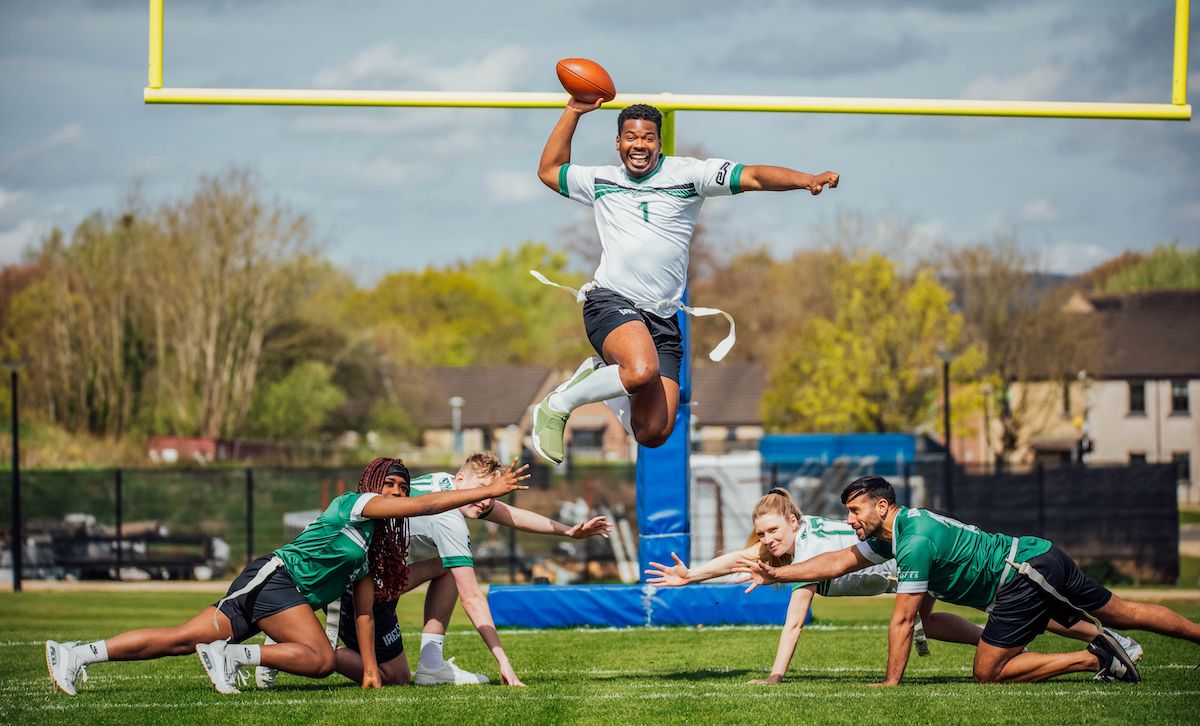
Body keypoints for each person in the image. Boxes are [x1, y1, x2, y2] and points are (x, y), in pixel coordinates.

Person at [45, 457, 528, 696]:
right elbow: (424, 504)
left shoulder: (371, 547)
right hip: (276, 581)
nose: (398, 493)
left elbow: (363, 611)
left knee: (181, 640)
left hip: (282, 594)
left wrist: (370, 672)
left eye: (402, 486)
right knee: (317, 658)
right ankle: (235, 656)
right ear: (372, 486)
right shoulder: (355, 504)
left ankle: (75, 654)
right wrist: (483, 493)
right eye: (391, 485)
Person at [529, 99, 839, 464]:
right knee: (641, 371)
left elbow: (753, 176)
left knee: (654, 432)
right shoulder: (602, 180)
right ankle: (557, 403)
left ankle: (598, 377)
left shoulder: (689, 175)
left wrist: (806, 180)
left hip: (662, 316)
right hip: (611, 301)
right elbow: (550, 170)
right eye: (630, 137)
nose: (639, 145)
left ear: (659, 144)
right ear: (618, 143)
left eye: (647, 138)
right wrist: (575, 111)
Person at [734, 475, 1200, 685]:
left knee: (987, 672)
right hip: (1032, 562)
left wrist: (890, 685)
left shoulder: (912, 541)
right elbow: (835, 563)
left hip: (1021, 576)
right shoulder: (895, 532)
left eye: (854, 511)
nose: (850, 519)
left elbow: (903, 620)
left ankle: (1096, 656)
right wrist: (777, 571)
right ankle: (1116, 646)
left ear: (880, 507)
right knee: (1122, 612)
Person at [646, 488, 1132, 683]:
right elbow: (737, 557)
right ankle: (1103, 641)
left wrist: (775, 676)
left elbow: (793, 624)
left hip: (910, 568)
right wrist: (690, 575)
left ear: (795, 522)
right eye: (764, 535)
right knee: (953, 623)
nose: (768, 541)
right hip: (901, 576)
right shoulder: (779, 553)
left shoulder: (811, 551)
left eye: (776, 531)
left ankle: (1105, 641)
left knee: (985, 617)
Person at [255, 451, 612, 689]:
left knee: (441, 575)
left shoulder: (450, 485)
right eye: (481, 492)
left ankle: (431, 663)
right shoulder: (449, 520)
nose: (487, 501)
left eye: (493, 494)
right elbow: (472, 596)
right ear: (459, 483)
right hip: (353, 575)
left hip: (376, 573)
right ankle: (291, 646)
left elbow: (508, 514)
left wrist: (568, 531)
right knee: (376, 671)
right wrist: (503, 661)